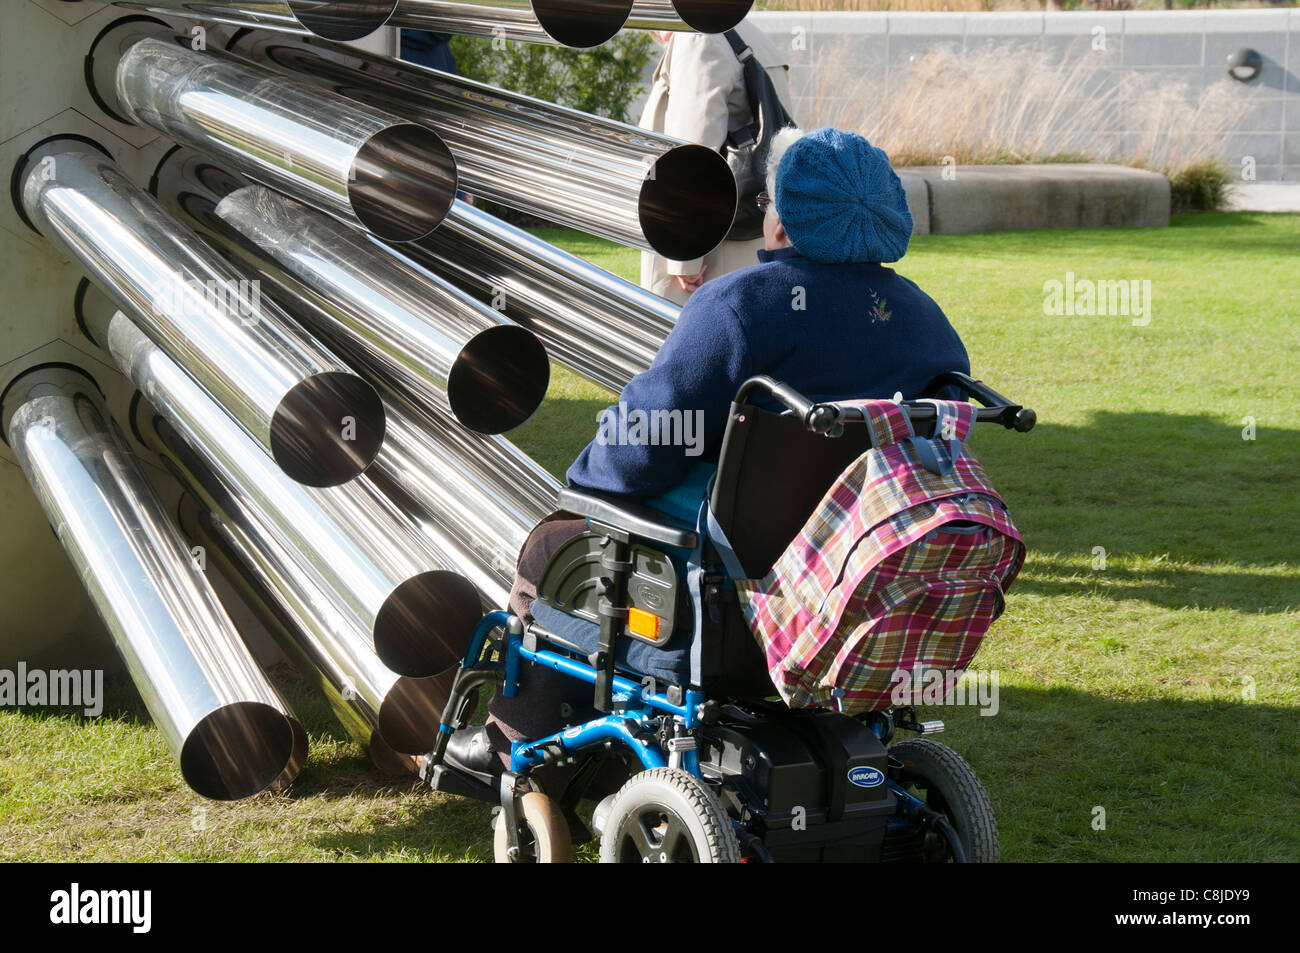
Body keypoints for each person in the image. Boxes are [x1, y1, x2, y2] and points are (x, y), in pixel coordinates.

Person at [447, 127, 969, 781]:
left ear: (783, 221)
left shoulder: (739, 306)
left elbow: (645, 444)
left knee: (552, 547)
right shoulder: (924, 322)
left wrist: (583, 485)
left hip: (726, 592)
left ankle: (517, 746)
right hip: (852, 585)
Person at [639, 22, 794, 305]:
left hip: (705, 251)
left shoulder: (700, 37)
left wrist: (683, 259)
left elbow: (691, 156)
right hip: (752, 233)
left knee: (681, 342)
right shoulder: (751, 34)